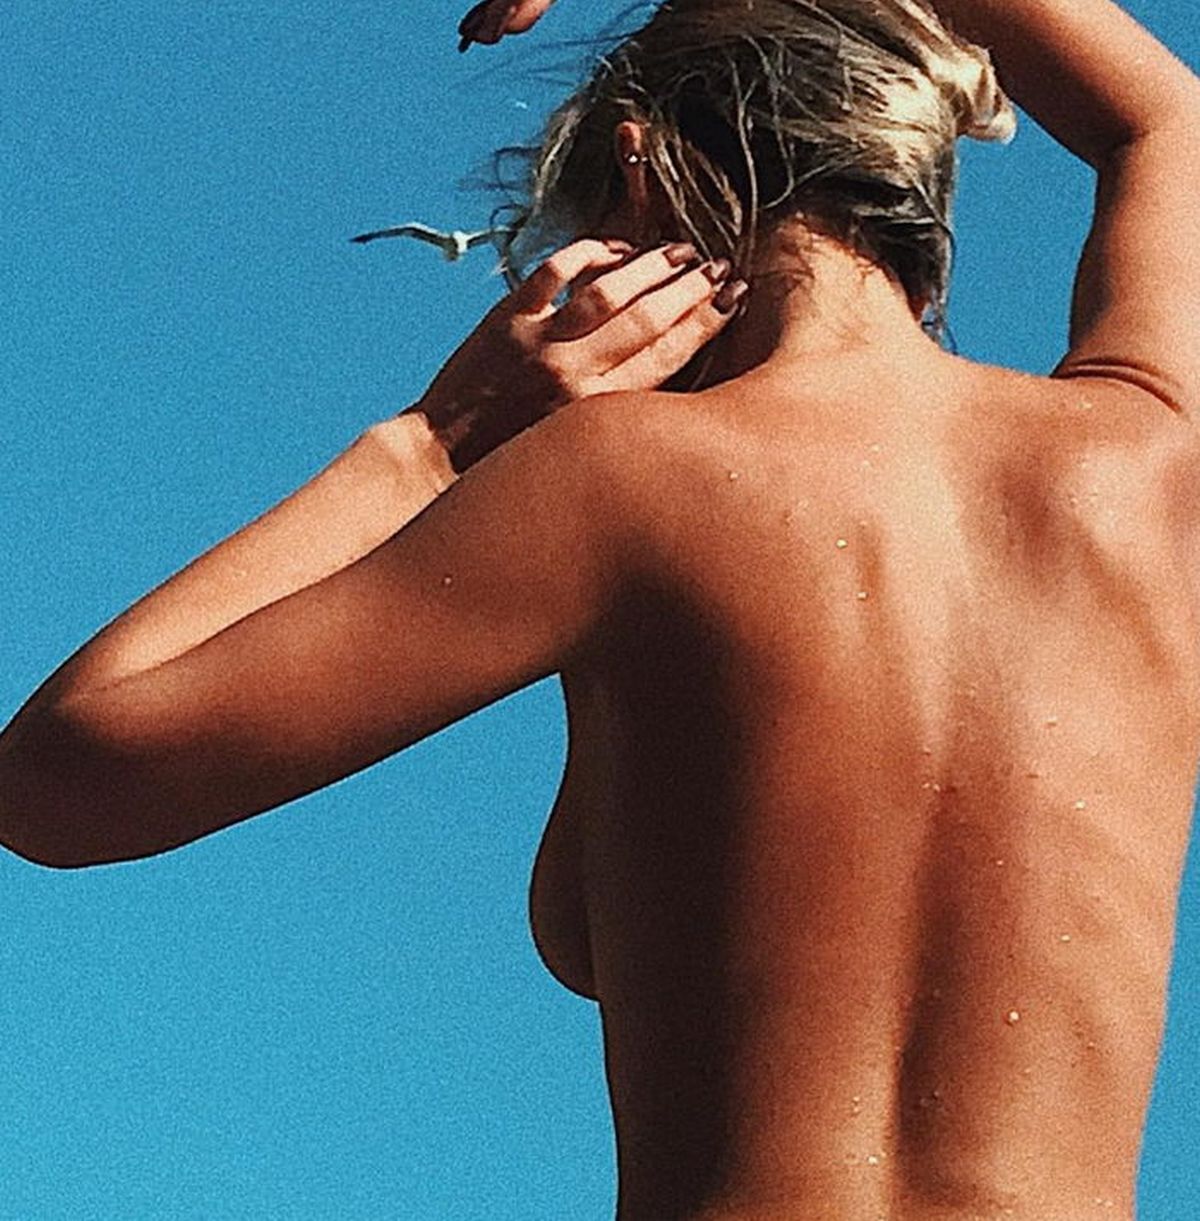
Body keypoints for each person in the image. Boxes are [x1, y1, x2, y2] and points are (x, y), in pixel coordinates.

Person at [2, 0, 1198, 1216]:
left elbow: (57, 783)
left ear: (640, 172)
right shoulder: (1147, 467)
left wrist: (433, 445)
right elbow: (1164, 121)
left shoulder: (622, 482)